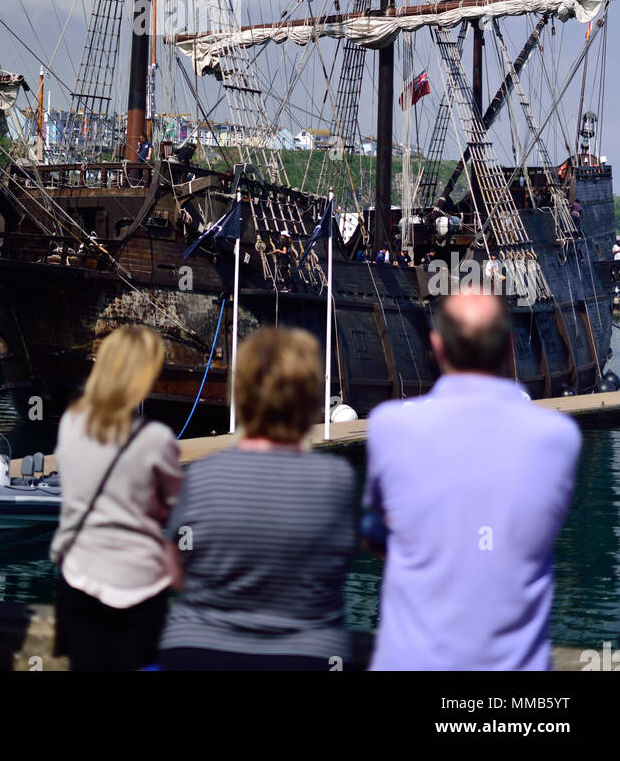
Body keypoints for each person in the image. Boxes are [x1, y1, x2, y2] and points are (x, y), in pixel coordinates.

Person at [363, 288, 581, 671]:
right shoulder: (558, 437)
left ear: (436, 345)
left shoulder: (390, 425)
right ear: (510, 347)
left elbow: (374, 530)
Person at [160, 327, 357, 671]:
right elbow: (336, 568)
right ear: (311, 399)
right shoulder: (335, 481)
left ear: (242, 396)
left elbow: (173, 572)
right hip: (303, 656)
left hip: (199, 652)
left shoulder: (202, 477)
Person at [50, 325, 182, 672]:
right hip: (137, 586)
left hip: (79, 578)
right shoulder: (155, 439)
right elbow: (176, 510)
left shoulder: (71, 424)